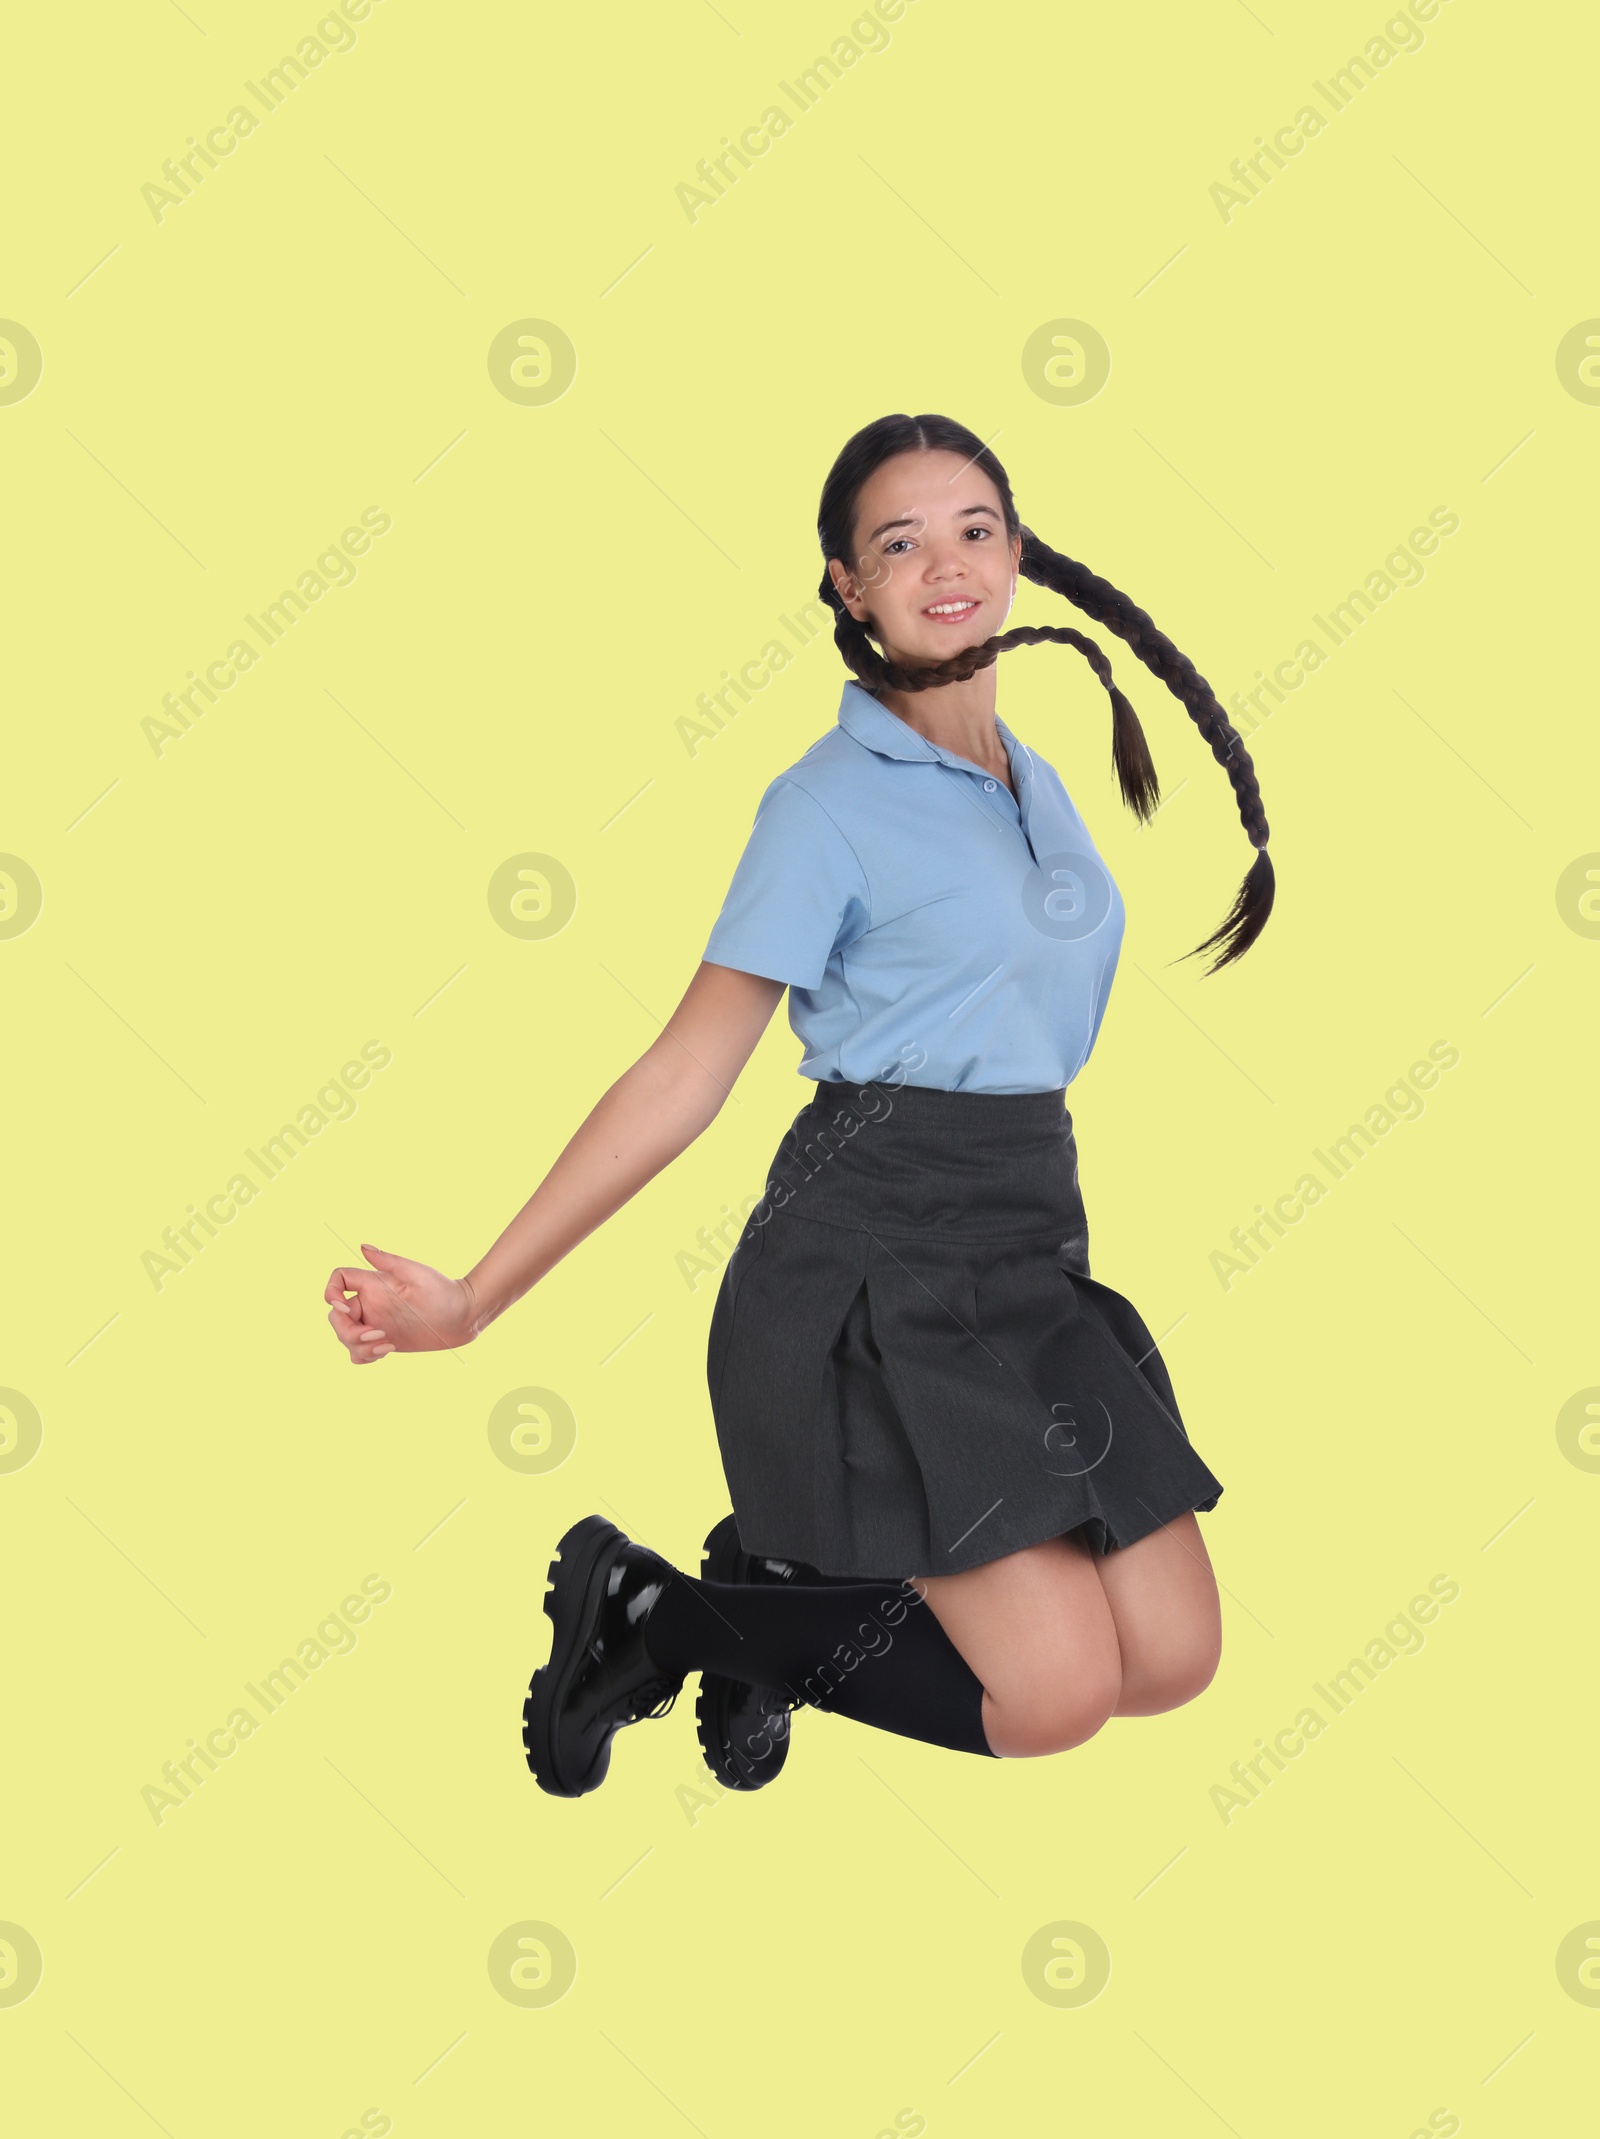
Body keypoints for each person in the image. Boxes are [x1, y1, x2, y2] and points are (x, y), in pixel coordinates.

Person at [322, 411, 1274, 1803]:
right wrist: (471, 1298)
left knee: (1174, 1656)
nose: (945, 566)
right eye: (900, 543)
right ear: (848, 582)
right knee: (1057, 1695)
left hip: (1028, 1250)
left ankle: (770, 1589)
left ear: (1017, 552)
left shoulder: (1037, 779)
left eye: (974, 530)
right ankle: (666, 1616)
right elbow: (682, 1072)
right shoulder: (823, 807)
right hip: (874, 1264)